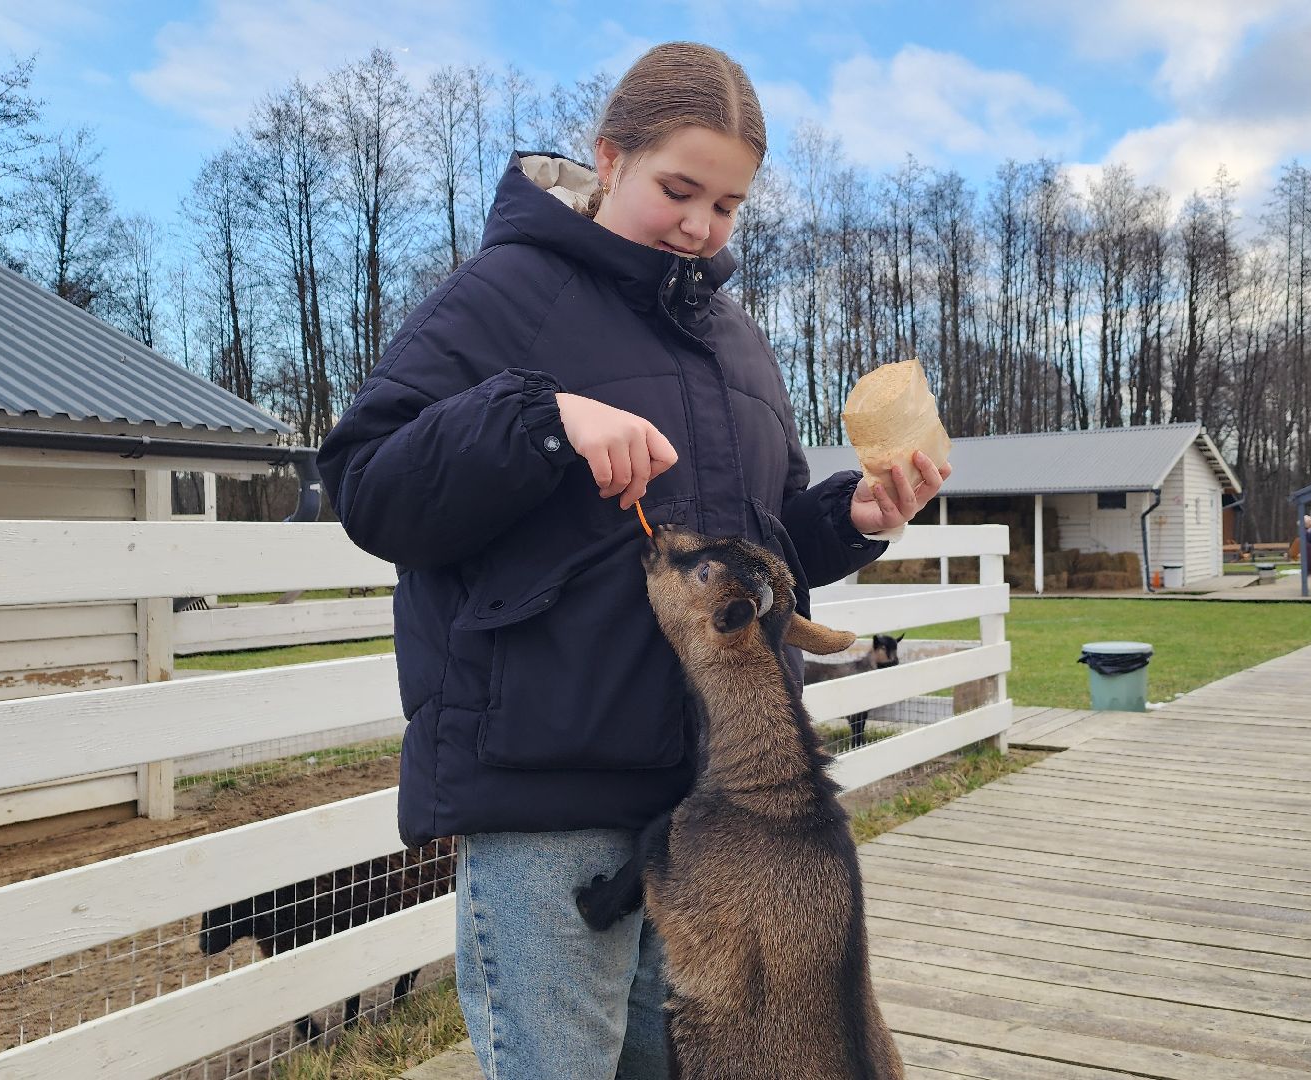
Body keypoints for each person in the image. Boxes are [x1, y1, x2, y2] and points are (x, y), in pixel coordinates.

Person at [316, 42, 948, 1080]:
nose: (702, 226)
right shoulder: (504, 294)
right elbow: (368, 484)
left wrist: (855, 516)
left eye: (729, 205)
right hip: (545, 794)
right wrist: (541, 417)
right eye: (679, 190)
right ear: (610, 160)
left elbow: (760, 560)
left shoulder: (737, 342)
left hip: (705, 814)